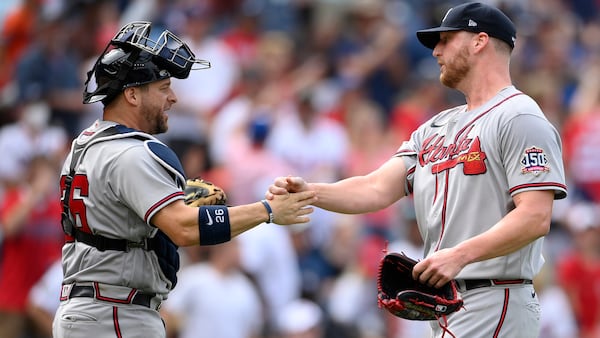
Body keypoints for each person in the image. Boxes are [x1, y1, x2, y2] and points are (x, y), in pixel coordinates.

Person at [267, 3, 567, 337]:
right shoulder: (435, 127)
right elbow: (375, 188)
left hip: (496, 297)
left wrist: (459, 255)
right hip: (444, 303)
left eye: (446, 40)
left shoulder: (519, 116)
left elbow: (536, 217)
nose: (436, 51)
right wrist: (309, 192)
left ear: (479, 42)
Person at [52, 21, 316, 338]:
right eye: (163, 88)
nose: (173, 98)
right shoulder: (134, 154)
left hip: (88, 309)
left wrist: (168, 201)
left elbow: (117, 217)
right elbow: (184, 228)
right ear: (132, 95)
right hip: (116, 314)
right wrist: (267, 210)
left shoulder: (84, 143)